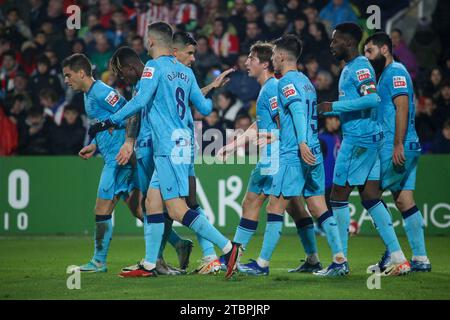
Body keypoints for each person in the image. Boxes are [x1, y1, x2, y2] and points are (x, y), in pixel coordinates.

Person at [89, 22, 242, 279]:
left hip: (167, 146)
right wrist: (213, 88)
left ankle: (228, 249)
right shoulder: (185, 72)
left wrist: (111, 120)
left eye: (147, 40)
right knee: (152, 201)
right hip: (184, 142)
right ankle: (149, 264)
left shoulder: (152, 67)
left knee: (177, 209)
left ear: (151, 42)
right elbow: (204, 109)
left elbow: (139, 101)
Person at [216, 41, 328, 275]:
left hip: (277, 156)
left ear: (265, 63)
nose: (247, 62)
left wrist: (274, 140)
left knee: (251, 202)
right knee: (296, 209)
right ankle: (313, 259)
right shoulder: (269, 87)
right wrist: (234, 144)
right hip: (283, 155)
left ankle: (235, 256)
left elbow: (281, 124)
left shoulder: (271, 88)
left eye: (251, 58)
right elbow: (260, 124)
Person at [317, 23, 410, 276]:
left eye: (335, 41)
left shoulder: (358, 67)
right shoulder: (353, 67)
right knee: (370, 197)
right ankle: (399, 258)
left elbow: (372, 98)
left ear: (348, 42)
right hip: (371, 138)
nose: (331, 45)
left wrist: (332, 107)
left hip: (358, 140)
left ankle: (340, 262)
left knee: (337, 196)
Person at [62, 53, 143, 273]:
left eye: (68, 75)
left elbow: (130, 113)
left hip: (119, 159)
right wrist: (95, 145)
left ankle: (99, 261)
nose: (66, 81)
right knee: (140, 211)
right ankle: (178, 244)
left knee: (101, 208)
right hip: (113, 156)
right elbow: (105, 124)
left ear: (81, 72)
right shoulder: (88, 95)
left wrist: (128, 146)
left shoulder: (101, 92)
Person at [364, 32, 431, 272]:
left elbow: (402, 107)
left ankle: (393, 254)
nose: (367, 57)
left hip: (397, 146)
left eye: (370, 51)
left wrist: (397, 144)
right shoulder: (386, 75)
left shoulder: (396, 72)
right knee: (404, 200)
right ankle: (421, 259)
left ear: (385, 50)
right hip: (408, 145)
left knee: (369, 194)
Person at [172, 31, 235, 274]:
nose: (193, 59)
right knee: (189, 203)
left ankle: (152, 262)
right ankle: (209, 255)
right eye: (190, 53)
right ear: (174, 51)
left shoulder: (163, 73)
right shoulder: (179, 75)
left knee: (161, 206)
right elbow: (191, 99)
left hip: (174, 147)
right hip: (185, 144)